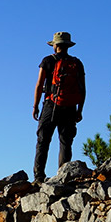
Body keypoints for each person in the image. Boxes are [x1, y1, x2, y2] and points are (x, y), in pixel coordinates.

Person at [33, 31, 86, 182]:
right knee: (65, 142)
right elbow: (83, 89)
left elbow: (39, 85)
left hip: (51, 105)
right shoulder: (77, 63)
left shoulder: (47, 61)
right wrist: (80, 110)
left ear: (55, 45)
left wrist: (35, 106)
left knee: (43, 141)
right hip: (70, 107)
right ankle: (63, 176)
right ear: (68, 46)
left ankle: (39, 177)